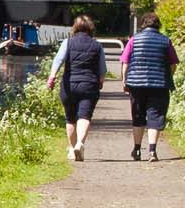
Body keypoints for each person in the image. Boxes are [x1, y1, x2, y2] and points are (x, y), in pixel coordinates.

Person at [45, 15, 109, 161]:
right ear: (91, 28)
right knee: (85, 116)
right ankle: (80, 143)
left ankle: (71, 149)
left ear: (75, 27)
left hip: (69, 85)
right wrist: (100, 82)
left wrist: (52, 77)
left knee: (70, 118)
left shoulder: (68, 42)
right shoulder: (97, 46)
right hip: (89, 85)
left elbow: (58, 60)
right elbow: (102, 69)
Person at [119, 12, 177, 162]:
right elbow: (173, 63)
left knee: (138, 117)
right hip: (159, 85)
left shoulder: (134, 40)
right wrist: (167, 75)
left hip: (136, 84)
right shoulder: (166, 41)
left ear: (143, 24)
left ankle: (137, 150)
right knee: (155, 117)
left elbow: (125, 62)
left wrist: (124, 80)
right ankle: (152, 151)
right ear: (158, 25)